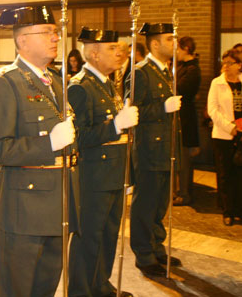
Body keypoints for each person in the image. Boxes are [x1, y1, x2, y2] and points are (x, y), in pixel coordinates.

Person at [0, 6, 78, 297]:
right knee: (19, 290)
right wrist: (48, 143)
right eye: (46, 32)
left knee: (45, 287)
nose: (55, 37)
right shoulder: (5, 82)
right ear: (22, 41)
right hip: (24, 210)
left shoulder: (56, 81)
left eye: (55, 32)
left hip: (58, 203)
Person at [67, 27, 138, 297]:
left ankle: (100, 286)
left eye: (119, 48)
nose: (120, 52)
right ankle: (82, 292)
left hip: (113, 174)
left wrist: (127, 175)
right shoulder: (80, 87)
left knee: (108, 236)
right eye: (112, 48)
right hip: (93, 177)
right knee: (89, 239)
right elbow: (77, 137)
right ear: (94, 54)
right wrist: (115, 126)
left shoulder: (108, 84)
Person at [127, 22, 182, 278]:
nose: (175, 44)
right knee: (146, 203)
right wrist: (163, 108)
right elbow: (132, 112)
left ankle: (156, 246)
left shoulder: (166, 71)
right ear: (155, 44)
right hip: (148, 149)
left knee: (160, 203)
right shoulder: (141, 72)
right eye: (170, 40)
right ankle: (143, 253)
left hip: (165, 149)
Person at [207, 50, 242, 226]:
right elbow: (212, 110)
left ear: (239, 65)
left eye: (230, 63)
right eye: (224, 62)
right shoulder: (217, 83)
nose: (226, 66)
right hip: (224, 135)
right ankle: (228, 210)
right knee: (225, 174)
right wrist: (230, 128)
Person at [174, 36, 201, 206]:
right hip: (179, 116)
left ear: (186, 48)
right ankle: (178, 190)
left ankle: (184, 193)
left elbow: (180, 89)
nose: (175, 52)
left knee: (184, 158)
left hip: (185, 118)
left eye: (177, 48)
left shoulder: (193, 70)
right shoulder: (182, 67)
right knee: (178, 157)